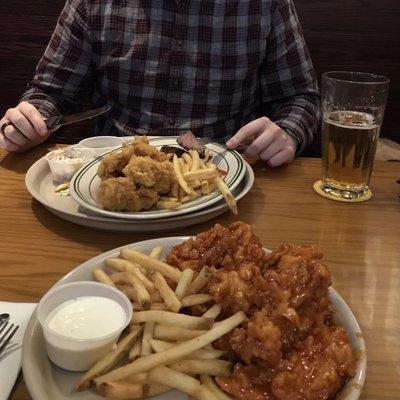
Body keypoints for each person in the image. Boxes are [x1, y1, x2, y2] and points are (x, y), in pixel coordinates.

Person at [0, 0, 320, 166]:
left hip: (221, 184)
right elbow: (51, 93)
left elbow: (300, 97)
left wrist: (289, 132)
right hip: (112, 191)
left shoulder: (265, 4)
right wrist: (30, 121)